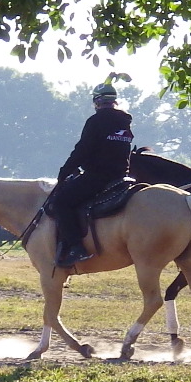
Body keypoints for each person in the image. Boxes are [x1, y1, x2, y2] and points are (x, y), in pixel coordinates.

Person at [50, 83, 134, 267]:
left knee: (61, 202)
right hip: (121, 177)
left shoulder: (96, 121)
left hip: (98, 177)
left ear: (97, 101)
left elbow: (83, 149)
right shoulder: (125, 122)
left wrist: (65, 171)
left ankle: (76, 247)